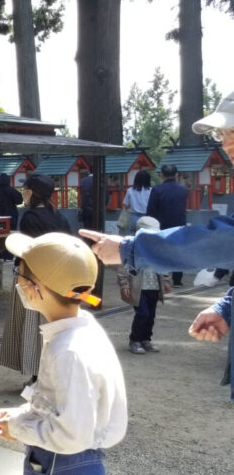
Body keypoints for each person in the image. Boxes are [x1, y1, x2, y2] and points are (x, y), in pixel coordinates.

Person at [80, 91, 234, 402]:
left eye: (232, 133)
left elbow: (224, 239)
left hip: (165, 236)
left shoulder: (155, 194)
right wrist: (226, 308)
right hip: (174, 236)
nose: (227, 145)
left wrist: (130, 248)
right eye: (223, 134)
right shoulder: (180, 190)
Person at [0, 232, 127, 475]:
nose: (18, 284)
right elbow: (61, 406)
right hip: (69, 464)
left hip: (60, 467)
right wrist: (21, 415)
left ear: (35, 288)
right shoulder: (80, 329)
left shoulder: (68, 351)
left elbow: (70, 434)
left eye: (19, 276)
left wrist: (17, 427)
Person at [0, 174, 72, 383]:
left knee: (33, 327)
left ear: (32, 192)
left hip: (33, 278)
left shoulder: (30, 217)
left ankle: (37, 375)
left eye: (26, 189)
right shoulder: (58, 216)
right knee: (55, 326)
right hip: (58, 280)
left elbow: (28, 252)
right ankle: (55, 374)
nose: (23, 192)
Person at [117, 216, 171, 354]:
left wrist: (165, 281)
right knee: (143, 313)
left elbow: (164, 266)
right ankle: (134, 340)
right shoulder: (131, 247)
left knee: (151, 315)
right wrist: (124, 285)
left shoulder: (157, 248)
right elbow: (123, 267)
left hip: (154, 286)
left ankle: (146, 339)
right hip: (138, 287)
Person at [146, 164, 188, 285]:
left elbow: (151, 210)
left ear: (162, 175)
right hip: (179, 224)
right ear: (176, 175)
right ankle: (177, 279)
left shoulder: (157, 190)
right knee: (178, 251)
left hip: (161, 225)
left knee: (161, 251)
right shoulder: (183, 189)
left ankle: (162, 278)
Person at [120, 170, 152, 235]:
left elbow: (126, 205)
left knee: (133, 236)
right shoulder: (151, 191)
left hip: (133, 217)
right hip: (147, 218)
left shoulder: (130, 190)